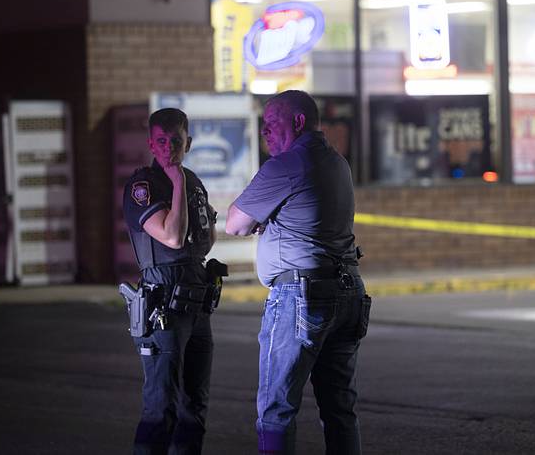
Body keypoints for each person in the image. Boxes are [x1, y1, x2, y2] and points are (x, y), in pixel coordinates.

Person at [226, 90, 371, 455]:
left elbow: (235, 224)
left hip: (301, 298)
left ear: (299, 122)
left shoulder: (288, 165)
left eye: (272, 123)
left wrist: (265, 218)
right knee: (339, 409)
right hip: (346, 289)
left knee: (276, 409)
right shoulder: (338, 162)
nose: (265, 132)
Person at [122, 107, 220, 455]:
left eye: (175, 141)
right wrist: (177, 182)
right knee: (161, 406)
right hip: (163, 306)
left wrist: (184, 184)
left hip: (196, 305)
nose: (168, 149)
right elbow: (174, 237)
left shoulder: (193, 182)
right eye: (161, 141)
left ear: (188, 142)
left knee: (194, 406)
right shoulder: (143, 186)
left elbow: (206, 241)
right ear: (151, 143)